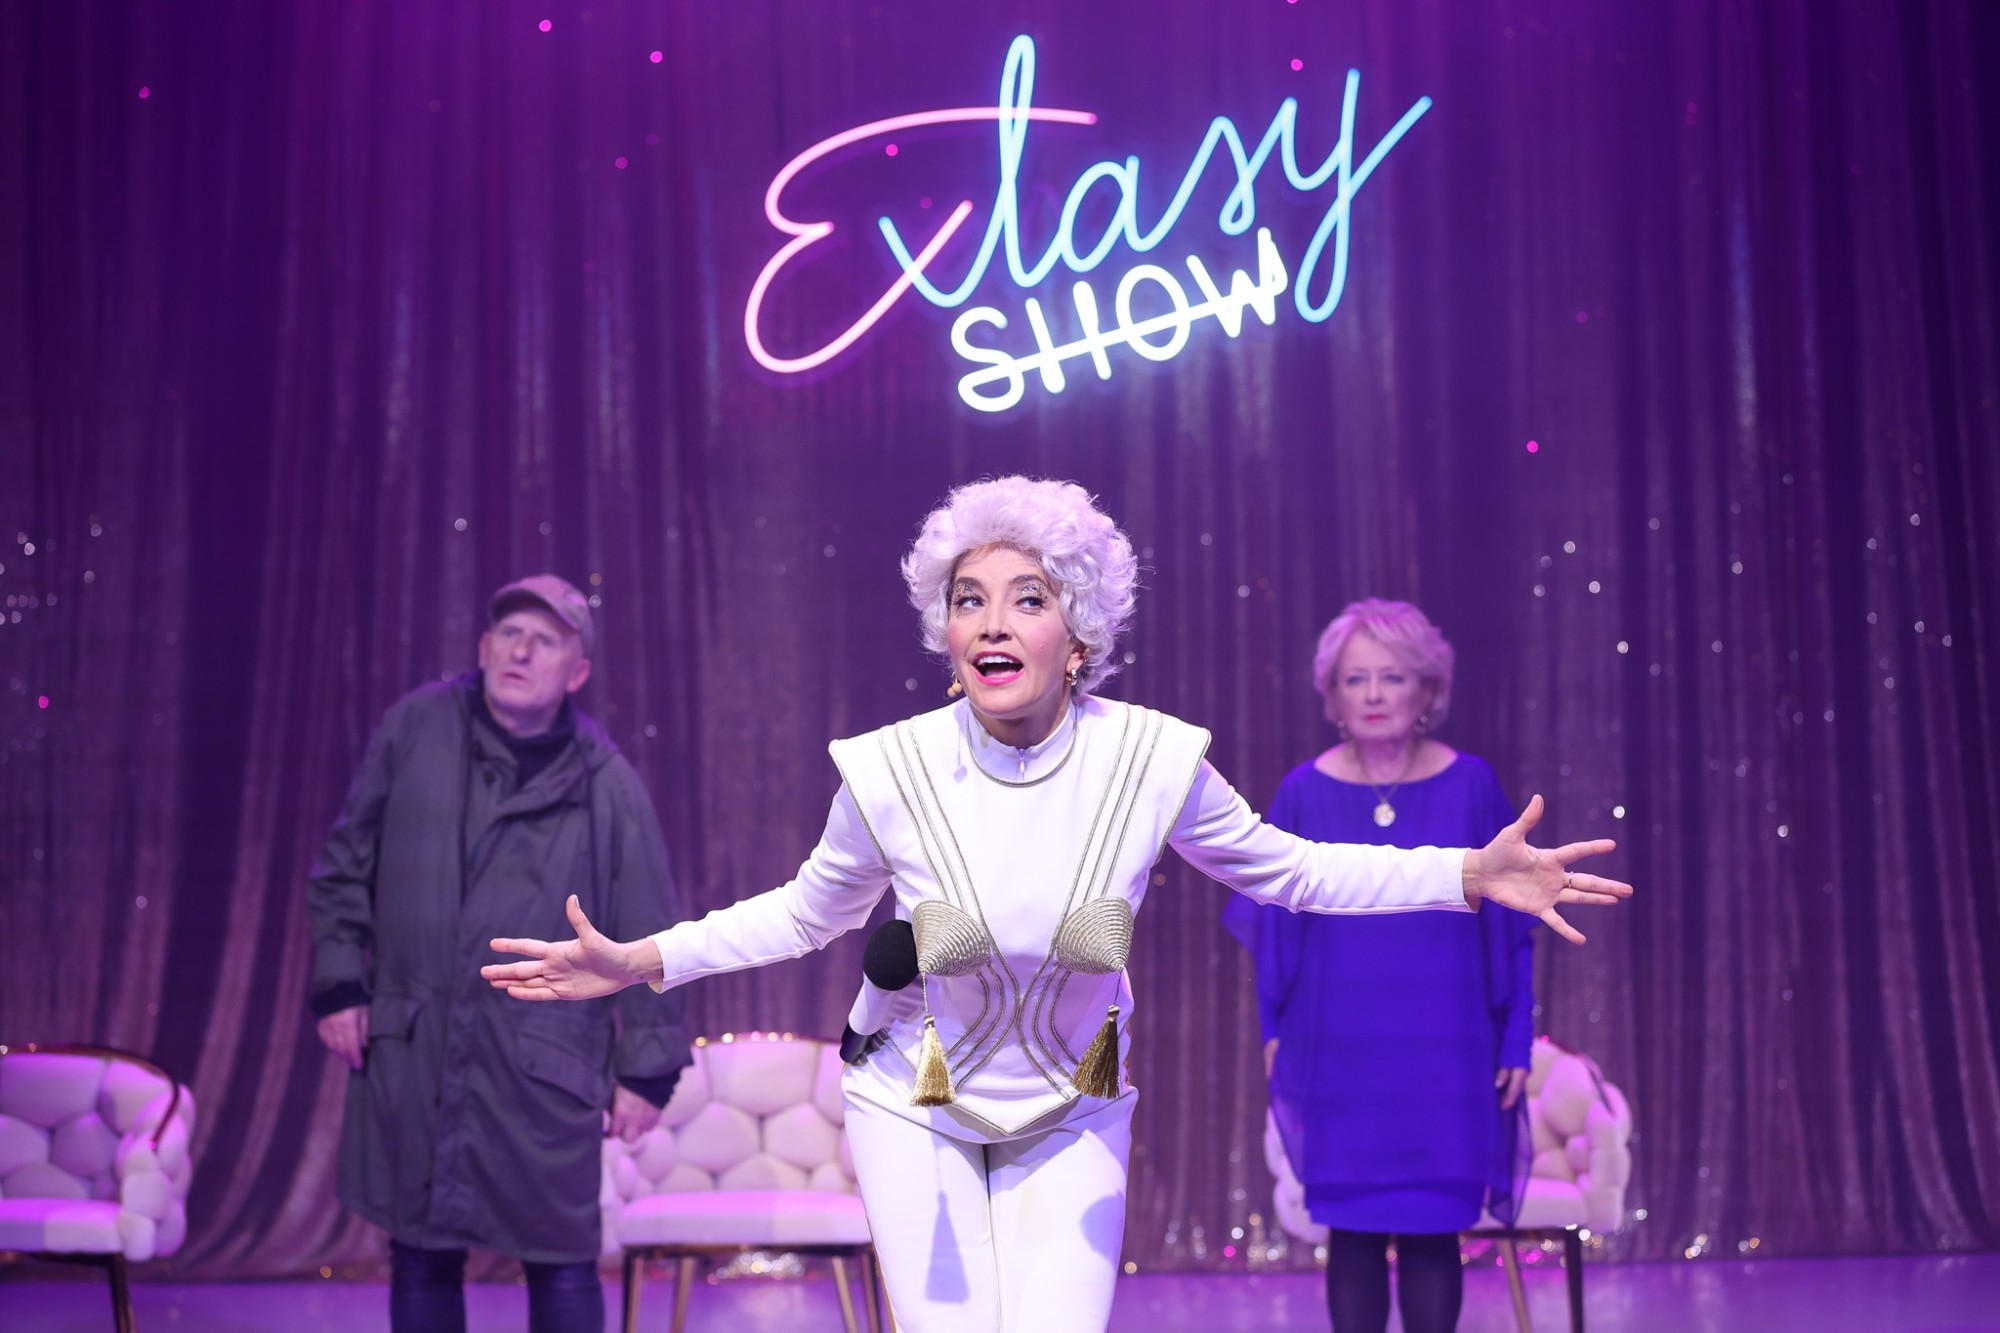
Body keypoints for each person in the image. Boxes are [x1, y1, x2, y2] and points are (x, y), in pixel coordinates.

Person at [479, 479, 1630, 1333]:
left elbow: (1290, 870)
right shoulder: (892, 769)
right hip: (913, 1101)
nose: (990, 621)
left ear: (1074, 634)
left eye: (1023, 599)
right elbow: (802, 913)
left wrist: (1463, 874)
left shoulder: (1148, 761)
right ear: (945, 634)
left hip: (1074, 1105)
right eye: (967, 600)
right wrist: (640, 959)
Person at [306, 575, 691, 1333]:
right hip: (419, 1045)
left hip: (543, 1059)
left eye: (545, 641)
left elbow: (650, 932)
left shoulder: (606, 784)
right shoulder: (416, 729)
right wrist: (339, 981)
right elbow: (345, 865)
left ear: (576, 672)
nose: (521, 651)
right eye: (509, 634)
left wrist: (647, 1067)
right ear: (484, 648)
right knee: (420, 1249)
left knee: (560, 1256)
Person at [1224, 599, 1537, 1333]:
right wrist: (1273, 1032)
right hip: (1338, 1054)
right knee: (1354, 1234)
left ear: (1427, 689)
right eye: (1354, 678)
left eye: (1391, 677)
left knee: (1433, 1231)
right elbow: (1273, 926)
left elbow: (1514, 924)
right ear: (1330, 694)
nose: (1372, 694)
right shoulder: (1303, 791)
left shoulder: (1473, 784)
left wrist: (1518, 1036)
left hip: (1449, 1055)